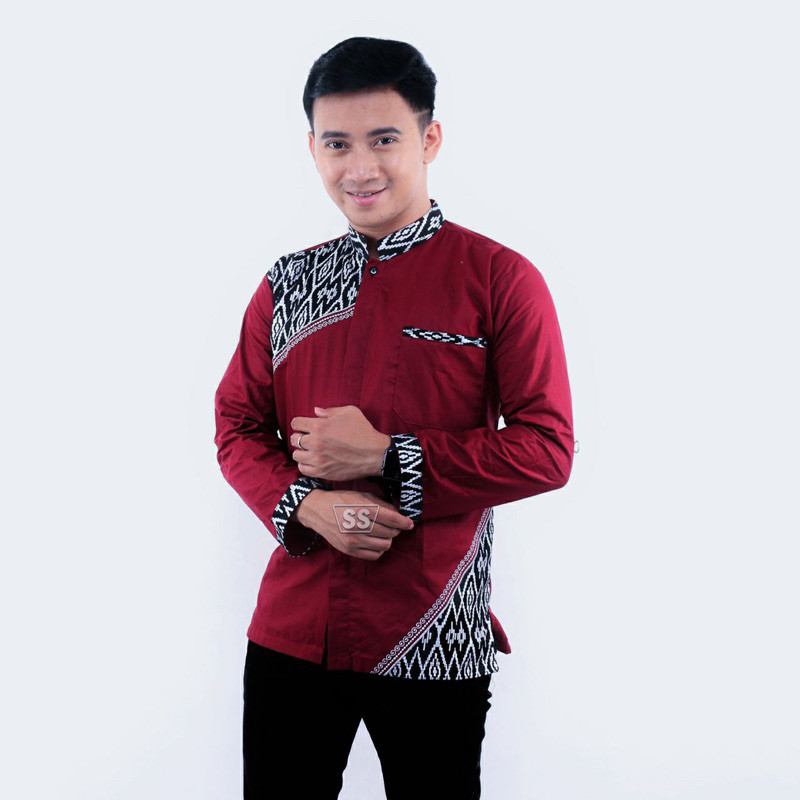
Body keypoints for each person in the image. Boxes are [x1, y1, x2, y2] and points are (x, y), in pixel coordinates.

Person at [213, 35, 575, 800]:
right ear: (312, 148)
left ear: (429, 138)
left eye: (384, 140)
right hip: (293, 630)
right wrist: (307, 505)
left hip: (433, 631)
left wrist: (386, 456)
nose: (360, 168)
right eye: (337, 144)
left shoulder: (501, 280)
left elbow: (547, 448)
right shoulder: (287, 285)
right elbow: (236, 427)